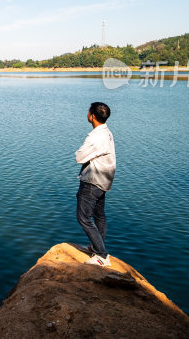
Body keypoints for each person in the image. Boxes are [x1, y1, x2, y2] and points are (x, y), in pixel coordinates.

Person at [75, 102, 116, 267]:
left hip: (93, 181)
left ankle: (101, 255)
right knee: (99, 215)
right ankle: (96, 247)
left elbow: (79, 157)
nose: (87, 113)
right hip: (104, 180)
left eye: (88, 111)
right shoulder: (107, 132)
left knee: (83, 217)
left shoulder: (95, 137)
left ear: (92, 116)